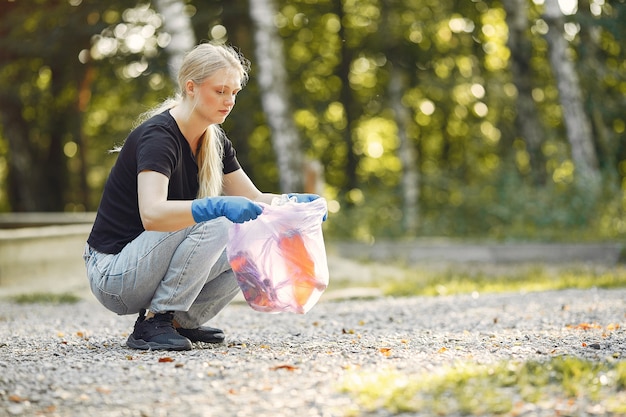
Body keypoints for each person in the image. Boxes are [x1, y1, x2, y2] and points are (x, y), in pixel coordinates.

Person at [83, 43, 322, 351]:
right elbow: (152, 214)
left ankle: (180, 321)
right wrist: (217, 206)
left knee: (251, 232)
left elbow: (255, 198)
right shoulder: (159, 138)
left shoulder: (214, 140)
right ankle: (154, 322)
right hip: (113, 275)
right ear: (191, 87)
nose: (229, 101)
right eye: (221, 91)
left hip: (146, 266)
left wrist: (294, 206)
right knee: (220, 220)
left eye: (234, 92)